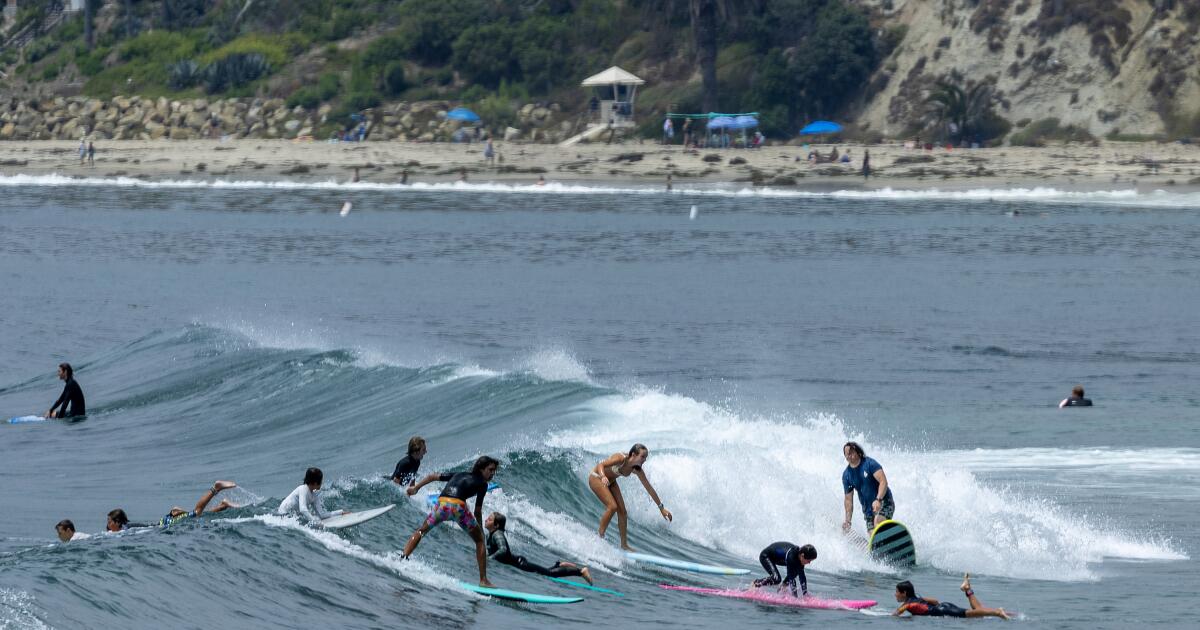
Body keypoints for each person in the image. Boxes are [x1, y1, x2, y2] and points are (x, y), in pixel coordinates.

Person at [403, 456, 500, 587]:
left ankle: (404, 558)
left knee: (421, 531)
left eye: (494, 471)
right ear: (481, 469)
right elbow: (478, 511)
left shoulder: (458, 474)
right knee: (480, 541)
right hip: (458, 507)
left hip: (441, 504)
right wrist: (481, 531)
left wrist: (416, 488)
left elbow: (432, 476)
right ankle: (483, 580)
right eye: (490, 470)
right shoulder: (483, 484)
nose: (492, 473)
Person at [588, 443, 672, 551]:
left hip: (611, 481)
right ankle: (599, 537)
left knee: (623, 512)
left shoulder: (637, 470)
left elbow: (649, 488)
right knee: (612, 507)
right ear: (633, 454)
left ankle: (624, 545)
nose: (644, 460)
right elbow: (601, 465)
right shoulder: (620, 458)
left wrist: (661, 508)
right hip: (597, 477)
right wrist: (603, 476)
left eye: (645, 458)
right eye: (642, 457)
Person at [484, 512, 594, 584]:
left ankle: (581, 572)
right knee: (547, 572)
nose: (486, 520)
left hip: (521, 564)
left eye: (489, 519)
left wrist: (489, 559)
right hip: (518, 563)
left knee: (550, 574)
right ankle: (558, 565)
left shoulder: (497, 534)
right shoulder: (490, 534)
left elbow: (503, 550)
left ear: (496, 525)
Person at [106, 480, 237, 531]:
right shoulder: (123, 529)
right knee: (199, 516)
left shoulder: (126, 529)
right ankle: (222, 506)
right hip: (165, 522)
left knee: (197, 512)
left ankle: (216, 488)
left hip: (166, 524)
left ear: (117, 522)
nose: (108, 524)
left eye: (109, 521)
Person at [892, 574, 1009, 619]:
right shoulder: (917, 597)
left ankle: (997, 613)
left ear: (904, 593)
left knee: (971, 614)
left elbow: (896, 614)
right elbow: (935, 601)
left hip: (945, 610)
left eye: (897, 591)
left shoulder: (908, 604)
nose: (895, 594)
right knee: (977, 613)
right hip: (944, 606)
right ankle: (967, 589)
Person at [841, 441, 894, 534]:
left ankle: (893, 537)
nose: (849, 455)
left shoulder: (870, 464)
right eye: (846, 454)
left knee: (878, 521)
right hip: (868, 511)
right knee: (872, 534)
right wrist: (848, 521)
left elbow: (883, 481)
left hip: (884, 503)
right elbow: (848, 500)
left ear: (858, 452)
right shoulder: (847, 475)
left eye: (851, 452)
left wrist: (878, 499)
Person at [278, 467, 347, 522]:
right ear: (315, 483)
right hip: (283, 512)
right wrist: (314, 521)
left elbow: (321, 515)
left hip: (291, 515)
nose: (322, 482)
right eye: (321, 481)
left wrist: (340, 512)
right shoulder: (303, 489)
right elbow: (303, 509)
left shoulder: (314, 495)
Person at [752, 542, 816, 597]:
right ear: (802, 555)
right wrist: (795, 598)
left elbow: (802, 577)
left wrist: (805, 595)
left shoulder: (799, 558)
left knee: (796, 571)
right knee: (776, 579)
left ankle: (782, 588)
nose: (809, 563)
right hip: (766, 556)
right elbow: (791, 578)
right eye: (809, 560)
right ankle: (756, 584)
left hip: (777, 559)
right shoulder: (791, 557)